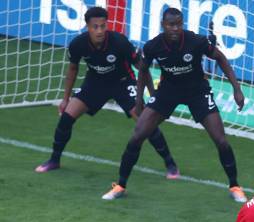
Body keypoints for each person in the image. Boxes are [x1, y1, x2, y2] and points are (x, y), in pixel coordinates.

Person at [102, 8, 247, 202]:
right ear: (164, 25)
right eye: (171, 24)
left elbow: (220, 57)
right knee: (138, 135)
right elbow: (143, 71)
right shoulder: (153, 46)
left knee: (221, 140)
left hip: (197, 91)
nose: (175, 28)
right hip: (168, 91)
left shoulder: (195, 41)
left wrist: (236, 89)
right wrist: (140, 101)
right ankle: (120, 185)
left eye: (179, 24)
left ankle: (235, 186)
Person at [35, 7, 179, 180]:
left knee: (144, 122)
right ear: (87, 27)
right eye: (95, 27)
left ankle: (170, 164)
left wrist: (153, 94)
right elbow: (72, 69)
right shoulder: (78, 44)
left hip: (122, 82)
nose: (100, 31)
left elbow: (142, 68)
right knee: (66, 117)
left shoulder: (119, 42)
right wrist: (65, 99)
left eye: (103, 26)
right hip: (95, 83)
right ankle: (54, 160)